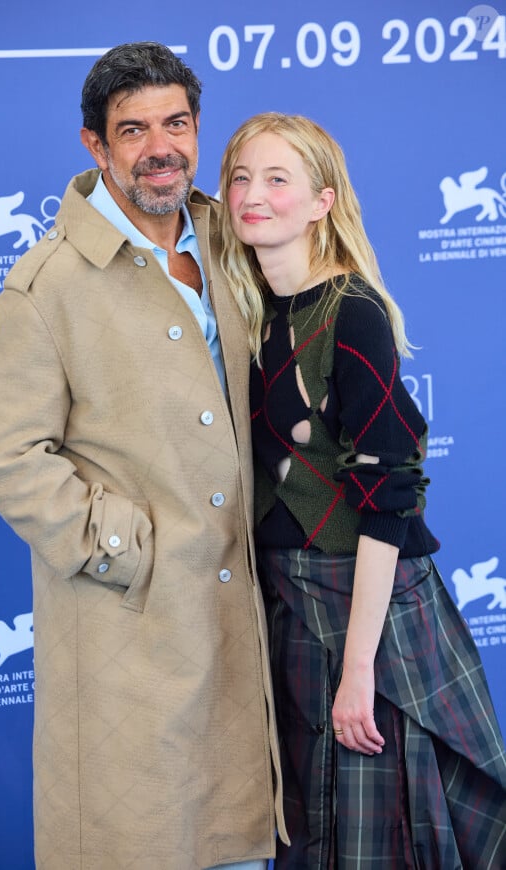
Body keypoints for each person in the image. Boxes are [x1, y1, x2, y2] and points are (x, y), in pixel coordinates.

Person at [0, 44, 288, 870]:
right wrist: (126, 548)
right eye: (134, 129)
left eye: (177, 123)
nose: (161, 147)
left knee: (238, 846)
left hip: (247, 618)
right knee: (141, 843)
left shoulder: (229, 236)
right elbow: (8, 455)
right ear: (96, 146)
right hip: (130, 633)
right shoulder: (46, 286)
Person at [219, 111, 506, 869]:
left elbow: (390, 504)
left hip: (371, 616)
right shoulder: (246, 316)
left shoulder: (354, 311)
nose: (254, 194)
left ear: (322, 200)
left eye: (278, 178)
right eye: (241, 177)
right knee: (314, 834)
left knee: (382, 846)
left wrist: (359, 673)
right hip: (289, 611)